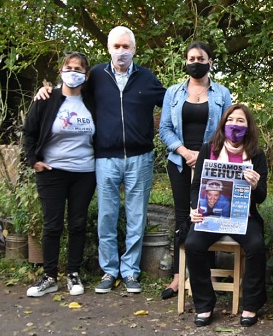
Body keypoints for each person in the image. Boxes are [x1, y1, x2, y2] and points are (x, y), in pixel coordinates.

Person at [35, 27, 166, 294]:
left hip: (140, 158)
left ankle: (130, 272)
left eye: (126, 47)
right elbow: (70, 90)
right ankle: (109, 270)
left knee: (136, 216)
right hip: (105, 158)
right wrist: (47, 89)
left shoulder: (145, 77)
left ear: (134, 49)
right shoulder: (96, 75)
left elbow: (171, 102)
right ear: (109, 49)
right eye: (116, 47)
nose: (121, 52)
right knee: (107, 216)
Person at [159, 41, 232, 299]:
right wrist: (185, 152)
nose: (195, 62)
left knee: (208, 215)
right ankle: (179, 276)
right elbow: (164, 129)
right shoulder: (173, 93)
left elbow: (227, 130)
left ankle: (206, 274)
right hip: (180, 161)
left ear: (210, 61)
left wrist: (202, 156)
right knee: (184, 216)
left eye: (200, 58)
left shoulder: (223, 93)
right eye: (191, 58)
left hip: (210, 163)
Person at [186, 104, 268, 328]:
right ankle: (204, 305)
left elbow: (261, 198)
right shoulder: (208, 149)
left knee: (257, 246)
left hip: (243, 217)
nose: (235, 124)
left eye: (241, 121)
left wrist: (255, 185)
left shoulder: (257, 156)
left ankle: (251, 304)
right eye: (231, 120)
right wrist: (195, 208)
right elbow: (196, 187)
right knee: (193, 243)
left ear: (248, 126)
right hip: (211, 216)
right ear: (223, 124)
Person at [23, 52, 96, 297]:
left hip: (84, 172)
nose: (73, 72)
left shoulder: (92, 101)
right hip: (52, 171)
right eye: (69, 67)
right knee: (52, 226)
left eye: (79, 69)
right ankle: (50, 276)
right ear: (61, 70)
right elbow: (29, 132)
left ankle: (73, 274)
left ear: (86, 75)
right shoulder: (46, 98)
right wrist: (33, 161)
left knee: (77, 224)